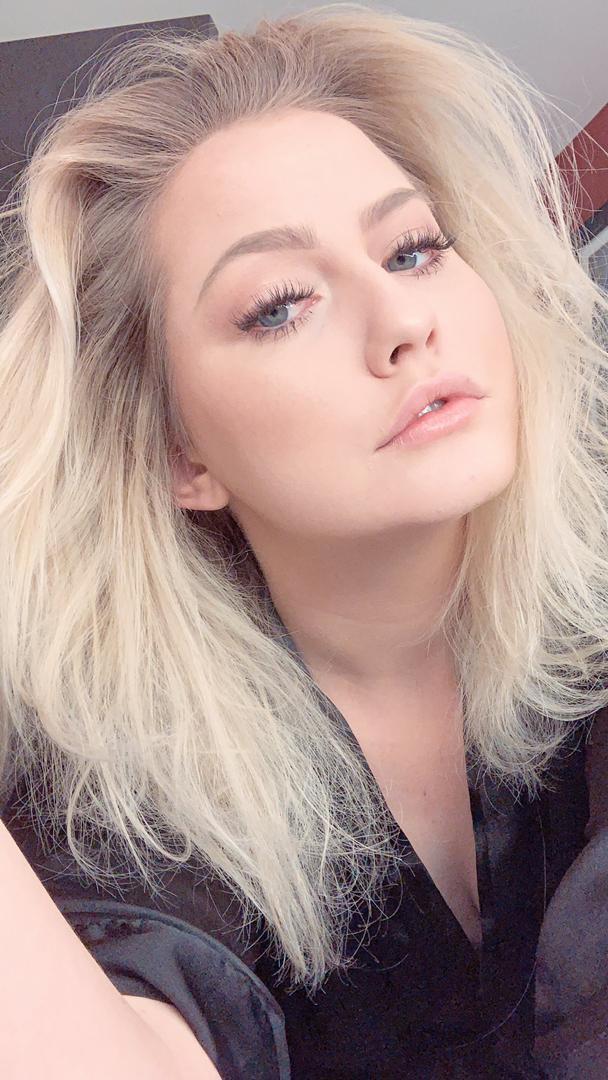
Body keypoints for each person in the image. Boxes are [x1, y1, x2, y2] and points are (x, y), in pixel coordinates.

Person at [0, 4, 607, 1077]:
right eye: (280, 305)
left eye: (413, 249)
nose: (403, 321)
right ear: (181, 454)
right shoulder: (121, 791)